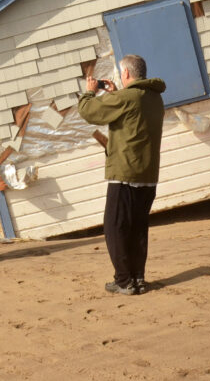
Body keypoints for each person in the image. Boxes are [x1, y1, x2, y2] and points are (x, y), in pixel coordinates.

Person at [78, 54, 166, 296]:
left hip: (126, 173)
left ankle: (124, 280)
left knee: (115, 227)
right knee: (137, 228)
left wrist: (90, 91)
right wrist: (114, 93)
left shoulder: (128, 98)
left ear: (126, 73)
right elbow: (129, 115)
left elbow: (88, 112)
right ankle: (137, 277)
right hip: (148, 175)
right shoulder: (154, 97)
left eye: (120, 72)